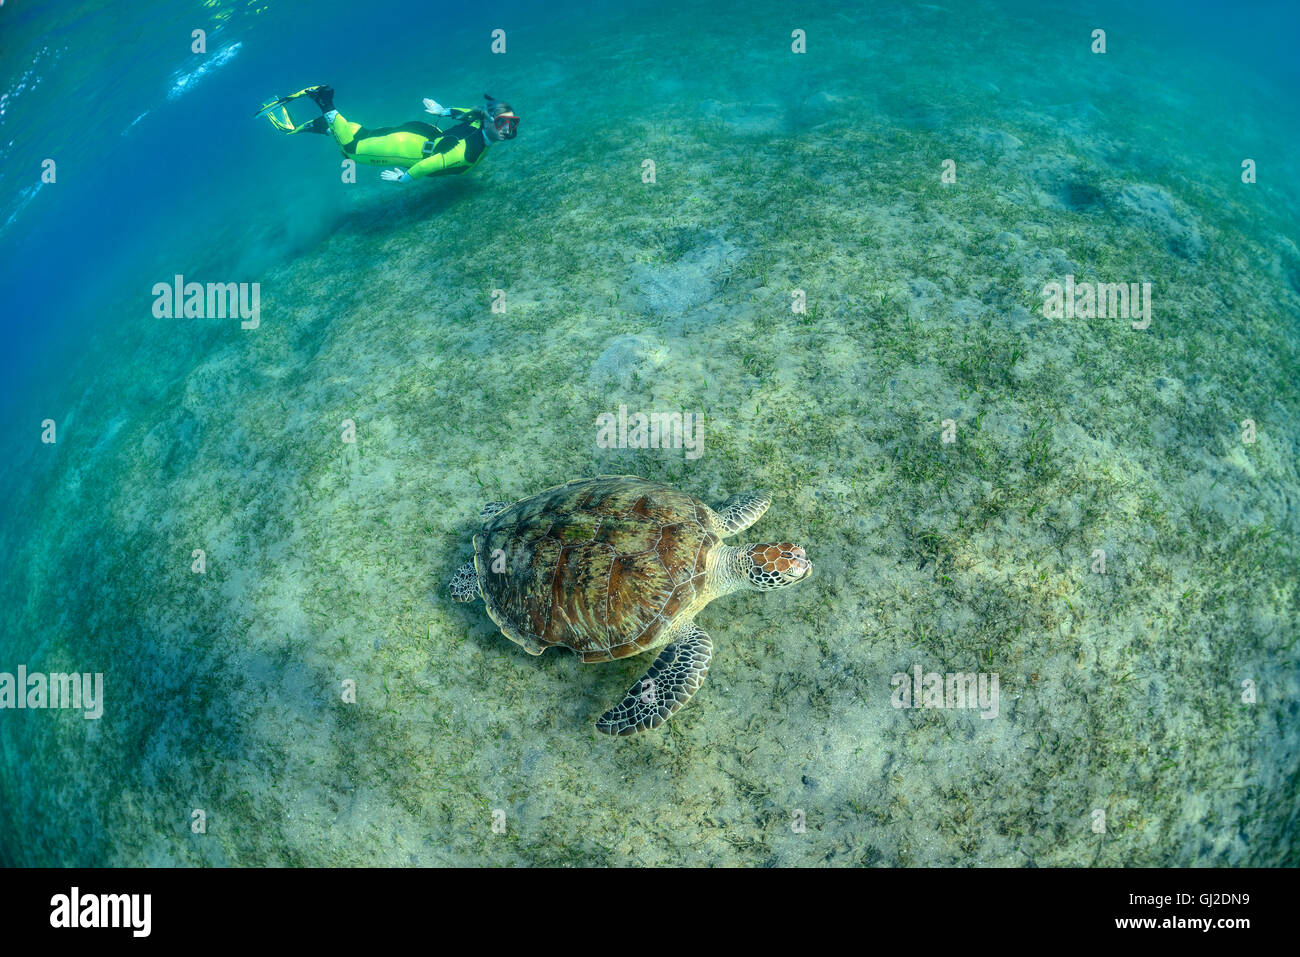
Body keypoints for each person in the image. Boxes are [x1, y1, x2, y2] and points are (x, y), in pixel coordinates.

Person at [256, 85, 518, 181]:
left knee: (363, 134)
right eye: (503, 123)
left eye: (511, 124)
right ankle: (325, 103)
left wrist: (443, 111)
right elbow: (433, 164)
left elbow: (468, 112)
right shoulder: (471, 151)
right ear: (489, 122)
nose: (507, 130)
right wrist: (405, 177)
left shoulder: (477, 120)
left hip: (421, 132)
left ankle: (326, 124)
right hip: (410, 148)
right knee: (353, 151)